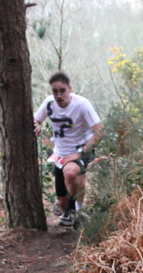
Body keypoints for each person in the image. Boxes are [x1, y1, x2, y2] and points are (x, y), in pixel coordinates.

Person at [33, 71, 104, 226]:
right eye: (55, 91)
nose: (59, 95)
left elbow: (100, 131)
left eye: (62, 91)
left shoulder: (82, 104)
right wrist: (37, 125)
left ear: (69, 89)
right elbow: (36, 119)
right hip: (60, 152)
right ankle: (76, 212)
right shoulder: (49, 103)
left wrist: (80, 152)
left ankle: (73, 211)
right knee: (62, 202)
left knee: (70, 172)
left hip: (81, 148)